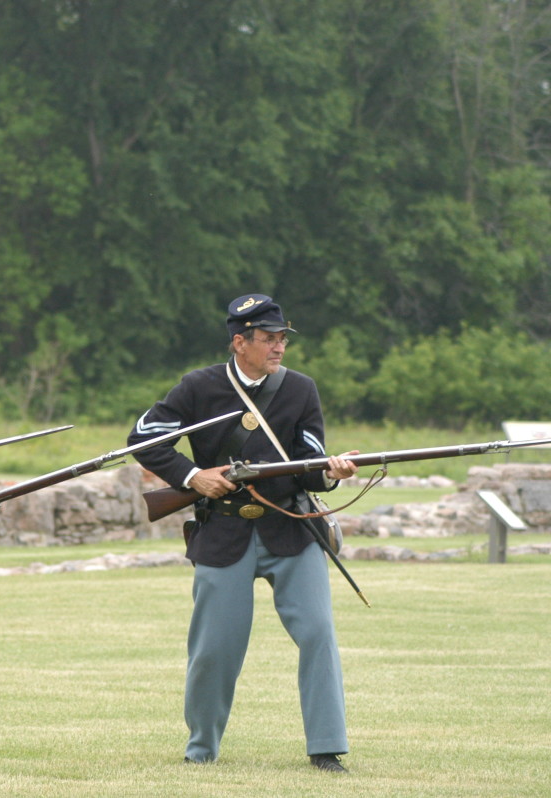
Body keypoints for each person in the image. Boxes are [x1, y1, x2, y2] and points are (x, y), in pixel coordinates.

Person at [127, 293, 358, 773]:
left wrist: (333, 474)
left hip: (291, 530)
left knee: (318, 633)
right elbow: (144, 437)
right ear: (239, 342)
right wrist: (193, 478)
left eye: (281, 340)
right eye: (268, 339)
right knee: (215, 648)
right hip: (224, 531)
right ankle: (202, 747)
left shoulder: (301, 390)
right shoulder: (198, 387)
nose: (278, 348)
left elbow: (313, 466)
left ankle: (326, 746)